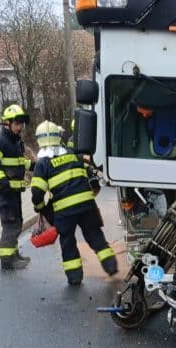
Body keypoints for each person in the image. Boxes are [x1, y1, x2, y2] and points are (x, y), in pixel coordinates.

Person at [30, 120, 118, 286]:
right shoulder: (72, 153)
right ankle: (110, 265)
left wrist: (40, 208)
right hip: (87, 205)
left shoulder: (42, 164)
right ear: (58, 136)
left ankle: (75, 277)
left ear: (39, 140)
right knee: (94, 235)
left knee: (68, 242)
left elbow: (37, 193)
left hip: (64, 211)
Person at [0, 104, 33, 270]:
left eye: (21, 123)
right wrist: (3, 182)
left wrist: (33, 165)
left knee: (17, 222)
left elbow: (17, 163)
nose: (20, 127)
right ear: (7, 123)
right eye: (17, 123)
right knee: (10, 223)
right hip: (6, 191)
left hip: (14, 190)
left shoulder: (15, 140)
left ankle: (13, 254)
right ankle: (7, 261)